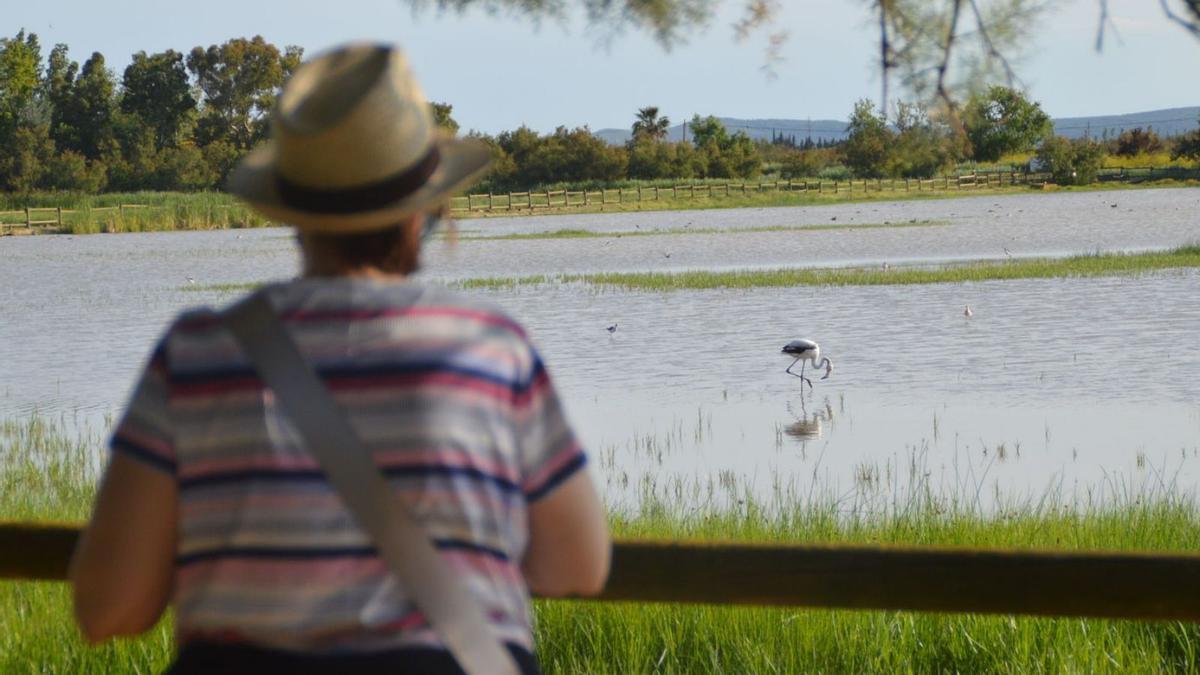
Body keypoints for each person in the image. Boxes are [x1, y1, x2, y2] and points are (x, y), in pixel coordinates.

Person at [68, 43, 610, 675]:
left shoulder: (196, 355)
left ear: (293, 213)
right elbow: (577, 566)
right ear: (422, 212)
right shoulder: (489, 348)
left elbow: (109, 609)